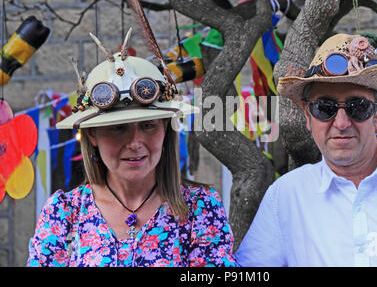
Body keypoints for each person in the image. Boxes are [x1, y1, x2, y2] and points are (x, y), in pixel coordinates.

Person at [236, 32, 377, 266]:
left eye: (357, 107)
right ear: (308, 117)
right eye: (324, 108)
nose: (341, 123)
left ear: (376, 115)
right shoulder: (285, 196)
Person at [27, 30, 238, 267]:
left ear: (165, 129)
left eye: (148, 126)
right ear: (92, 134)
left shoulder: (200, 208)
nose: (135, 143)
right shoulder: (64, 213)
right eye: (118, 128)